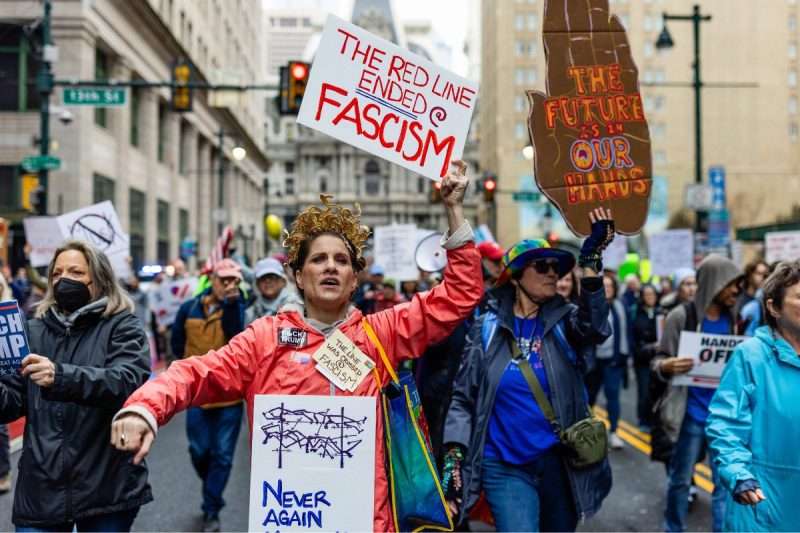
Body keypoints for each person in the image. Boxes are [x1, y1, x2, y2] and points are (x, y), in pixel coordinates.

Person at [110, 161, 482, 532]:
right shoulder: (265, 338)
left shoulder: (379, 335)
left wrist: (454, 210)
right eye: (318, 260)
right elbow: (195, 373)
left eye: (341, 261)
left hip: (367, 519)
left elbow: (460, 296)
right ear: (300, 277)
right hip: (288, 518)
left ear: (354, 280)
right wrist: (144, 408)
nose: (330, 268)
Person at [443, 208, 615, 532]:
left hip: (559, 464)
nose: (553, 274)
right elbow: (462, 399)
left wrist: (590, 259)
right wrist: (453, 461)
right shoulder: (486, 330)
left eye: (556, 268)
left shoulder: (566, 321)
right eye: (542, 266)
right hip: (504, 467)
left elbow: (595, 328)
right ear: (516, 277)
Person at [0, 240, 151, 530]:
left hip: (106, 485)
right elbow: (12, 402)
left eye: (75, 272)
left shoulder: (122, 326)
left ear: (100, 278)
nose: (63, 280)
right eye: (56, 273)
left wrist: (60, 377)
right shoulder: (32, 330)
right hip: (41, 488)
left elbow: (126, 381)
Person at [706, 260, 800, 531]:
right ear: (774, 308)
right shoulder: (750, 356)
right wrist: (739, 475)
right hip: (763, 506)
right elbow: (724, 425)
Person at [651, 254, 743, 532]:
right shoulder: (682, 315)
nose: (736, 290)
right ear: (715, 283)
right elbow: (657, 362)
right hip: (689, 414)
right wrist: (667, 365)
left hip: (724, 417)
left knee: (724, 486)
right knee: (680, 481)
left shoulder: (735, 317)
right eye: (731, 284)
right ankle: (673, 528)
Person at [168, 258, 247, 532]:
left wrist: (233, 305)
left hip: (229, 397)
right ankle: (212, 485)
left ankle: (211, 509)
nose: (229, 285)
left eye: (234, 280)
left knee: (223, 455)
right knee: (199, 451)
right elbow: (177, 343)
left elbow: (238, 337)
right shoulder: (189, 308)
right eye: (224, 280)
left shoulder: (238, 307)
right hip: (197, 395)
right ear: (212, 280)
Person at [585, 272, 629, 449]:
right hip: (593, 360)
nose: (608, 289)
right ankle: (586, 430)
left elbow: (627, 332)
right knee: (589, 396)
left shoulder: (620, 307)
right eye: (605, 286)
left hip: (613, 359)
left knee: (613, 396)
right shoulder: (591, 307)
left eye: (611, 286)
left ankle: (614, 432)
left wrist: (625, 356)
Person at [630, 283, 662, 431]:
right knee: (643, 391)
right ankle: (643, 419)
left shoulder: (661, 313)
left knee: (656, 391)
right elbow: (633, 337)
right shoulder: (636, 312)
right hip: (642, 359)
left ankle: (653, 419)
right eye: (647, 294)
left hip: (657, 358)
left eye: (653, 294)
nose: (650, 297)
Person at [244, 257, 294, 327]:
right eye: (263, 277)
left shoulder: (295, 307)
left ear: (283, 281)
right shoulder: (250, 313)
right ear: (257, 284)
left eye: (272, 276)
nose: (267, 281)